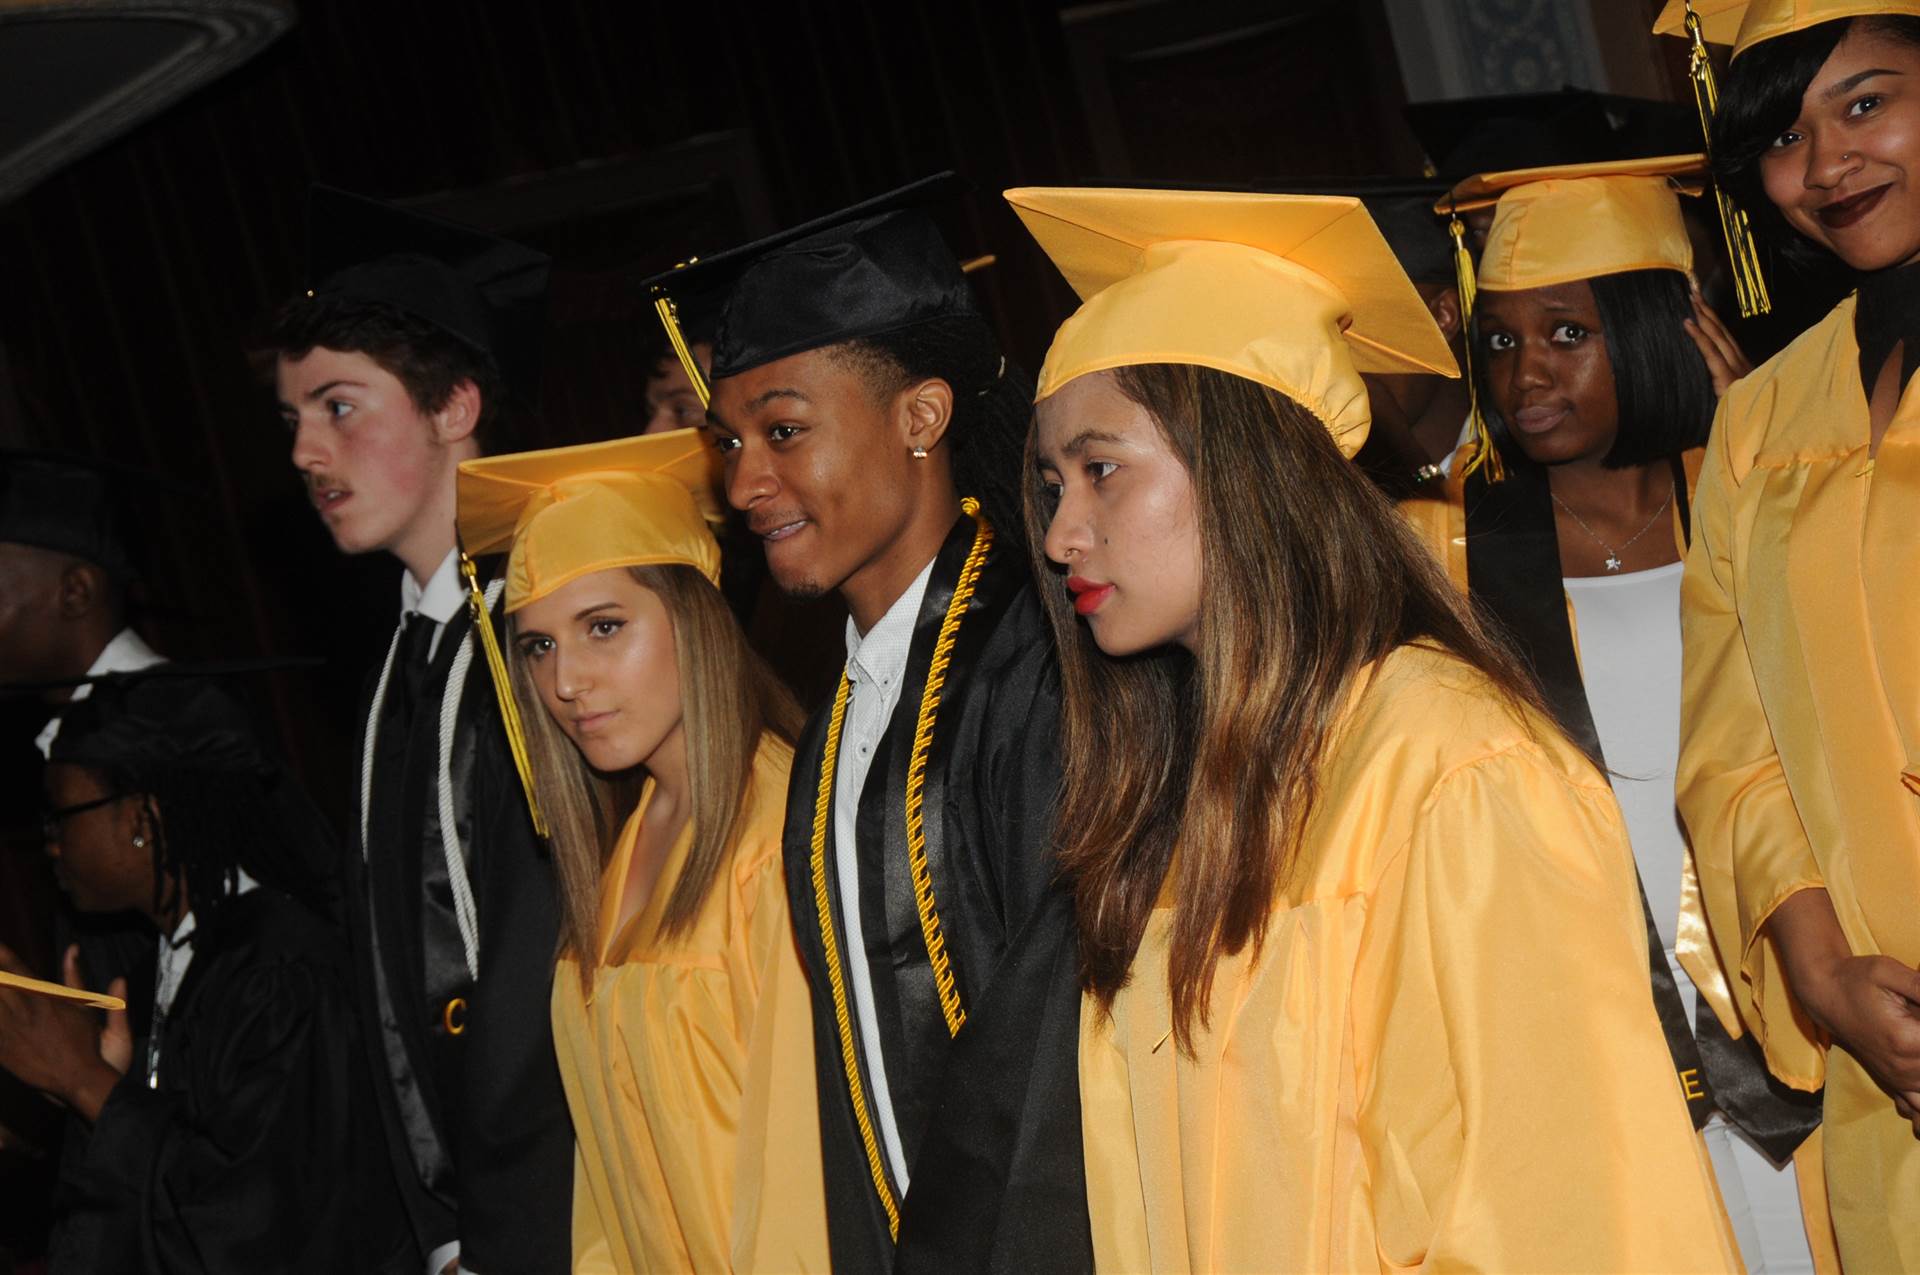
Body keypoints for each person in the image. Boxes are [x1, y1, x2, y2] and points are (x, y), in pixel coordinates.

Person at [1007, 183, 1741, 1272]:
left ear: (1245, 464)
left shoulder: (1450, 766)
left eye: (1101, 470)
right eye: (1051, 484)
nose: (1064, 531)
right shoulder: (1184, 794)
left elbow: (1566, 1211)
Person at [645, 176, 1091, 1273]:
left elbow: (1068, 1064)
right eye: (728, 443)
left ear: (920, 417)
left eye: (784, 431)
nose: (746, 483)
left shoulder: (1040, 671)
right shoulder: (838, 720)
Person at [1417, 154, 1829, 1272]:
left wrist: (1765, 452)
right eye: (1499, 342)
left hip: (1801, 973)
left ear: (1654, 332)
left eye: (1567, 334)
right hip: (1598, 1014)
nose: (1525, 376)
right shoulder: (1448, 552)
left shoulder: (1771, 493)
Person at [1651, 2, 1920, 1267]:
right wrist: (1820, 972)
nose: (1826, 168)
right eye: (1783, 136)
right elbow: (1731, 742)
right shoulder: (1761, 420)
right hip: (1888, 1065)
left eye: (1867, 104)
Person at [270, 186, 572, 1274]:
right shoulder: (400, 664)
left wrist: (500, 1230)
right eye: (293, 420)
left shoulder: (552, 641)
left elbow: (548, 979)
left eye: (339, 407)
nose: (305, 453)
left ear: (455, 407)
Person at [453, 430, 830, 1272]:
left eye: (604, 626)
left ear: (694, 614)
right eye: (539, 645)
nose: (566, 683)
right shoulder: (620, 852)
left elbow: (807, 1183)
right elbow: (607, 1188)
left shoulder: (776, 834)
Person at [0, 670, 409, 1273]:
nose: (52, 845)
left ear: (143, 819)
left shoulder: (282, 971)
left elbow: (265, 1222)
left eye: (62, 817)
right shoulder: (163, 969)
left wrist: (85, 1080)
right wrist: (98, 1081)